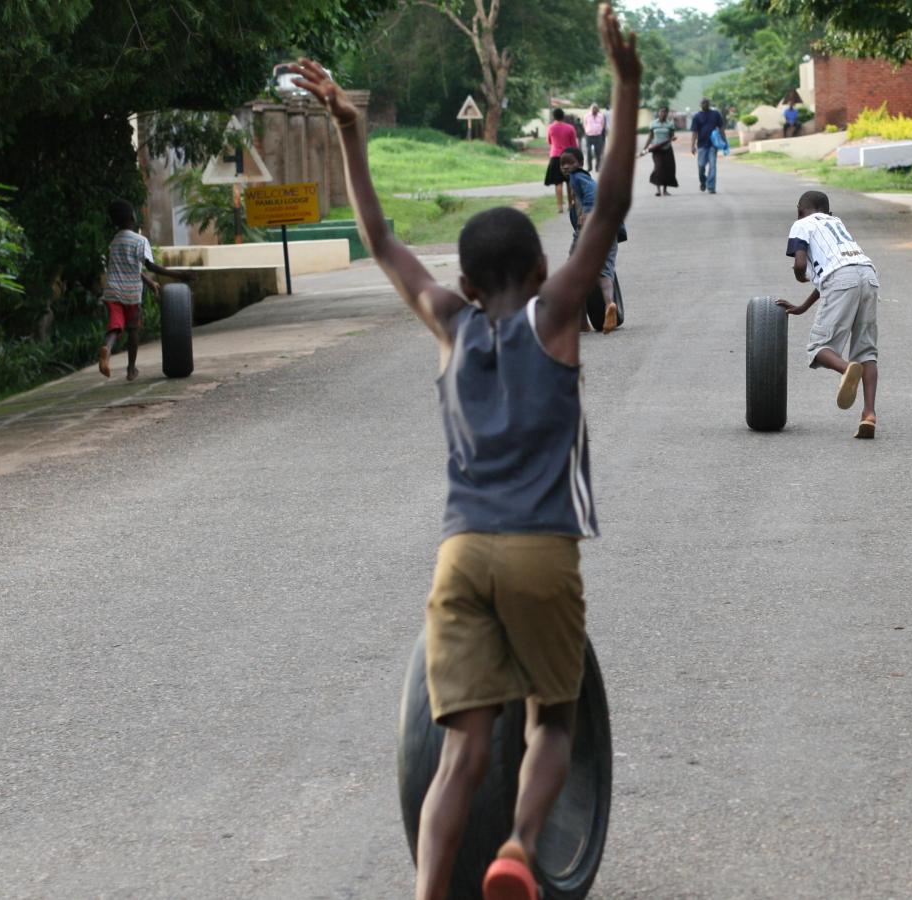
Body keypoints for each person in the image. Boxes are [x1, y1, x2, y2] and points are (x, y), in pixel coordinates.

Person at [286, 7, 642, 898]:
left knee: (462, 749)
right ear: (540, 271)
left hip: (459, 552)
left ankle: (427, 892)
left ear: (469, 283)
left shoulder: (448, 322)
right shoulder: (557, 317)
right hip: (537, 548)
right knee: (555, 721)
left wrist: (353, 135)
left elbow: (381, 243)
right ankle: (521, 849)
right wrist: (626, 85)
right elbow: (615, 210)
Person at [775, 191, 880, 439]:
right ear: (828, 212)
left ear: (800, 210)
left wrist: (800, 276)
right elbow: (835, 273)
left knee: (819, 347)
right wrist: (803, 306)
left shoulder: (801, 225)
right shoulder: (837, 223)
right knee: (867, 351)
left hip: (841, 279)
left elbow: (802, 266)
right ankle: (869, 414)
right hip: (869, 275)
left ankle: (846, 369)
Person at [98, 199, 193, 382]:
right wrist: (180, 274)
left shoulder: (114, 242)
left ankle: (107, 350)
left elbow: (129, 268)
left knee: (115, 326)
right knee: (133, 330)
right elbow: (150, 266)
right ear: (133, 217)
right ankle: (131, 369)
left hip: (112, 292)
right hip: (131, 294)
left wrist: (150, 283)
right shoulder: (140, 241)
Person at [559, 146, 621, 332]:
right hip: (608, 231)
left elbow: (592, 193)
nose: (566, 167)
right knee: (604, 272)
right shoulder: (580, 179)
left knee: (575, 275)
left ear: (580, 164)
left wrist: (586, 213)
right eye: (562, 164)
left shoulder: (577, 177)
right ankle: (610, 304)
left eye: (570, 163)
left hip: (587, 233)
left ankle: (582, 322)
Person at [544, 107, 580, 215]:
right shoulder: (570, 128)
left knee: (558, 182)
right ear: (563, 116)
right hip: (568, 156)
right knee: (569, 182)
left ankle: (559, 207)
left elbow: (549, 141)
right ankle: (570, 205)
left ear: (553, 116)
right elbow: (574, 144)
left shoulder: (550, 128)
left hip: (555, 157)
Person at [689, 98, 724, 193]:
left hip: (713, 144)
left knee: (713, 166)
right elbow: (694, 132)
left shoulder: (715, 114)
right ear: (700, 104)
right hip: (701, 145)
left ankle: (711, 187)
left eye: (706, 102)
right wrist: (692, 145)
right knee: (701, 167)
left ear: (709, 104)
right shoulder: (697, 116)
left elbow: (721, 127)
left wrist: (724, 140)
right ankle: (703, 181)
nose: (705, 104)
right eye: (703, 103)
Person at [647, 106, 678, 197]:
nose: (663, 113)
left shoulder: (670, 124)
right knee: (658, 167)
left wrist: (673, 138)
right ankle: (658, 190)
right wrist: (645, 148)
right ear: (658, 112)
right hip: (657, 150)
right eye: (661, 112)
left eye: (665, 112)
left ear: (667, 113)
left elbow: (672, 136)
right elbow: (650, 137)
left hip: (667, 149)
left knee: (667, 169)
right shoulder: (653, 124)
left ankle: (665, 190)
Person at [583, 102, 607, 171]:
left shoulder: (601, 116)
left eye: (596, 109)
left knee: (598, 152)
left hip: (598, 136)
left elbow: (602, 125)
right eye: (593, 109)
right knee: (588, 152)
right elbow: (584, 124)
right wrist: (588, 131)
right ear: (591, 109)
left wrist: (598, 130)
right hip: (589, 136)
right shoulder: (586, 116)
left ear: (598, 109)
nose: (594, 110)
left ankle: (597, 167)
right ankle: (589, 167)